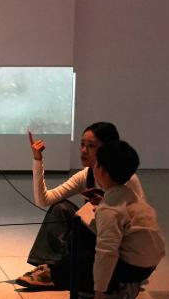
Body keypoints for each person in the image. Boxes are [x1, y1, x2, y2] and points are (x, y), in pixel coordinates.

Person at [17, 122, 145, 289]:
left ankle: (58, 273)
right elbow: (44, 200)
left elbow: (138, 224)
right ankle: (50, 268)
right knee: (60, 209)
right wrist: (37, 160)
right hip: (97, 234)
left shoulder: (126, 179)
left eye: (91, 146)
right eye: (82, 144)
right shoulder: (87, 175)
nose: (84, 150)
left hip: (117, 244)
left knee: (81, 228)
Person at [88, 140, 164, 299]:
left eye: (96, 163)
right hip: (149, 265)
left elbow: (107, 251)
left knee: (71, 260)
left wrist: (98, 296)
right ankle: (126, 283)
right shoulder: (130, 195)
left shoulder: (109, 208)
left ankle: (118, 286)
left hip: (132, 267)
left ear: (102, 171)